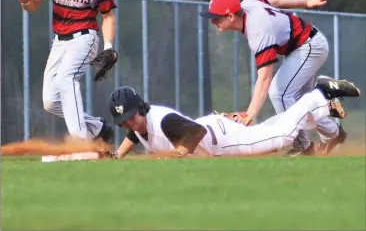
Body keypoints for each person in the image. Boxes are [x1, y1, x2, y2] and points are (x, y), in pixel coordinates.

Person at [199, 0, 343, 156]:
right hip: (303, 45)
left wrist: (249, 114)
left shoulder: (259, 31)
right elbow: (277, 0)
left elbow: (265, 78)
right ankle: (334, 134)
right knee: (300, 103)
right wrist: (305, 1)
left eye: (216, 17)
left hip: (309, 46)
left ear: (231, 16)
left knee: (279, 94)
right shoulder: (248, 3)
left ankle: (303, 146)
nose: (213, 22)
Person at [105, 76, 360, 159]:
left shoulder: (162, 120)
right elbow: (134, 135)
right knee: (277, 127)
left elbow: (196, 133)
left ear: (139, 108)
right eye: (123, 120)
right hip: (218, 131)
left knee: (283, 135)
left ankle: (320, 93)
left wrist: (177, 155)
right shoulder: (140, 124)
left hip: (223, 139)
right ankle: (325, 117)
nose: (128, 123)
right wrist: (117, 156)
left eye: (129, 116)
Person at [17, 0, 115, 142]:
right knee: (50, 101)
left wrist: (108, 46)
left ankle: (80, 141)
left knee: (66, 79)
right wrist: (26, 2)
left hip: (85, 38)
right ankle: (98, 128)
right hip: (60, 42)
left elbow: (108, 17)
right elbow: (34, 5)